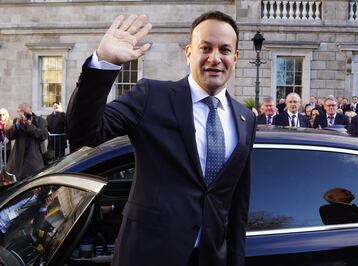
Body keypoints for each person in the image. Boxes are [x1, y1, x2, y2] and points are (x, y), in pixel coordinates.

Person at [66, 11, 256, 266]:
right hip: (149, 255)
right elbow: (84, 134)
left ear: (235, 57)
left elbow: (236, 205)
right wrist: (104, 63)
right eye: (205, 48)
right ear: (189, 53)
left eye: (224, 50)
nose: (215, 58)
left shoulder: (246, 118)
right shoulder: (152, 96)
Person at [5, 103, 48, 180]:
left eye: (23, 111)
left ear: (29, 111)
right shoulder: (16, 121)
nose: (21, 114)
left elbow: (43, 135)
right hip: (18, 160)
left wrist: (29, 125)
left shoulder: (40, 121)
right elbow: (9, 136)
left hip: (33, 161)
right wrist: (17, 125)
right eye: (19, 112)